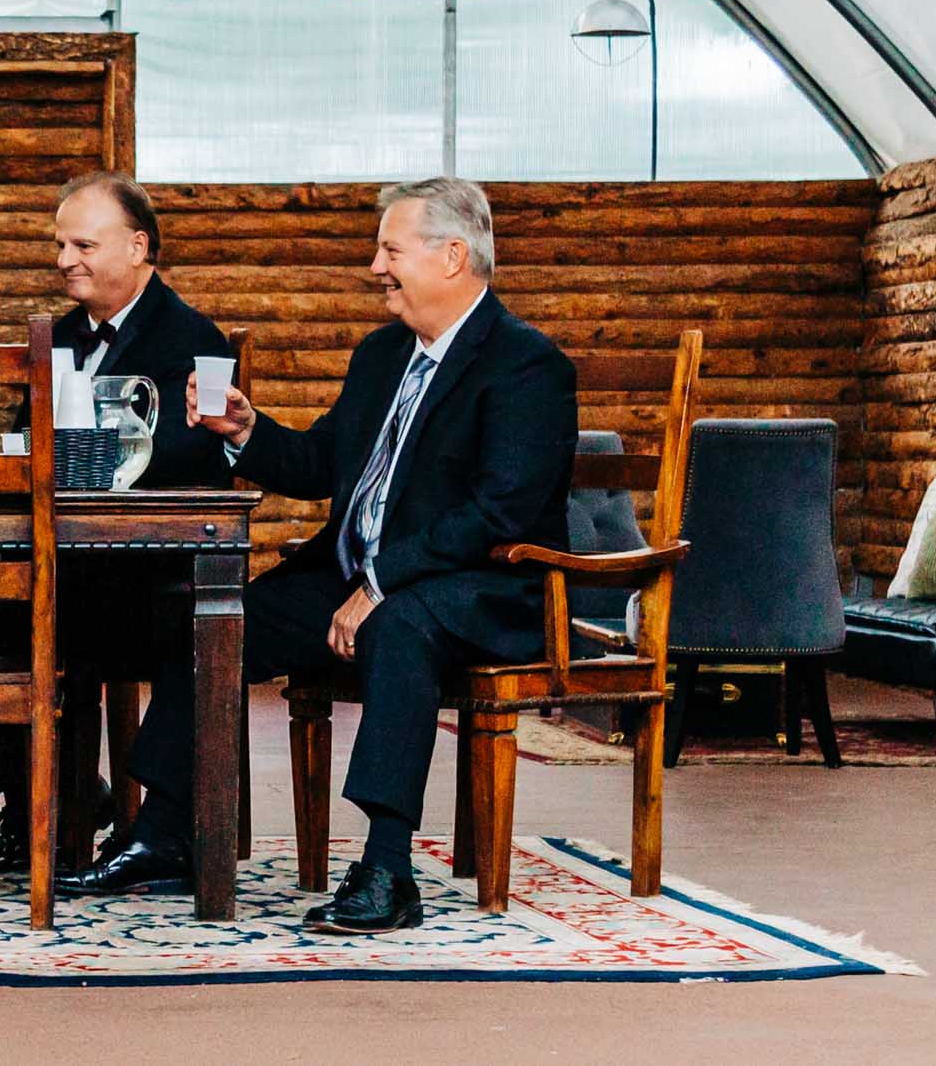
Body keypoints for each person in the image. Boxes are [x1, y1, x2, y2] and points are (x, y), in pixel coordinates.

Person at [61, 178, 577, 937]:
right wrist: (246, 429)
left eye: (391, 250)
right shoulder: (382, 355)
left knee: (399, 625)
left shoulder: (527, 365)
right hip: (358, 578)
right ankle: (169, 831)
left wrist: (382, 579)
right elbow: (319, 463)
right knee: (210, 618)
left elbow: (498, 511)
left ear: (454, 256)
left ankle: (386, 867)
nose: (376, 266)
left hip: (477, 588)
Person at [0, 172, 235, 872]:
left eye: (83, 243)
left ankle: (67, 802)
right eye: (60, 243)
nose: (65, 259)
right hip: (45, 568)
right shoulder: (53, 338)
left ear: (138, 245)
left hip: (139, 584)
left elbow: (189, 458)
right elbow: (18, 445)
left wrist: (76, 458)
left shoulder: (192, 338)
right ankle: (54, 793)